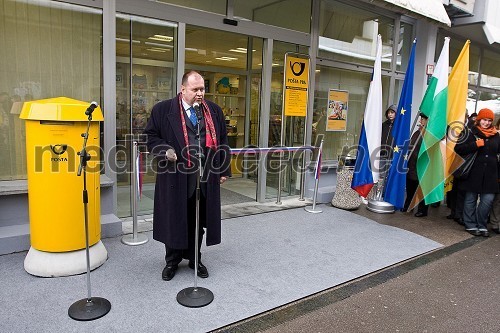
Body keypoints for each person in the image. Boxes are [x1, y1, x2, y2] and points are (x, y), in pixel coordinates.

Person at [144, 71, 231, 281]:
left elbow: (223, 140)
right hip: (175, 176)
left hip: (204, 177)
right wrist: (164, 150)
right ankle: (171, 262)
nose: (200, 93)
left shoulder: (213, 112)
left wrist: (223, 169)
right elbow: (150, 137)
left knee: (198, 220)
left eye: (202, 89)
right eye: (195, 90)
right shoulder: (163, 110)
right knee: (174, 218)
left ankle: (195, 259)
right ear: (183, 89)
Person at [454, 108, 500, 237]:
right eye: (484, 120)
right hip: (473, 173)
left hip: (491, 175)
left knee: (487, 201)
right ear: (479, 120)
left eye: (489, 120)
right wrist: (474, 145)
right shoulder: (469, 132)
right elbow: (458, 149)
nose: (486, 123)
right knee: (470, 200)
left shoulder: (496, 135)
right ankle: (470, 225)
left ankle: (482, 224)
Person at [402, 113, 429, 217]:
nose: (421, 121)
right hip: (412, 165)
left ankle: (423, 209)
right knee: (410, 187)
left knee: (421, 189)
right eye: (421, 119)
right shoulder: (417, 133)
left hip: (422, 165)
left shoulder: (429, 134)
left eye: (423, 119)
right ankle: (408, 205)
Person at [487, 117, 500, 234]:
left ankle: (495, 222)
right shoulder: (495, 137)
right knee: (493, 199)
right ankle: (494, 222)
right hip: (494, 173)